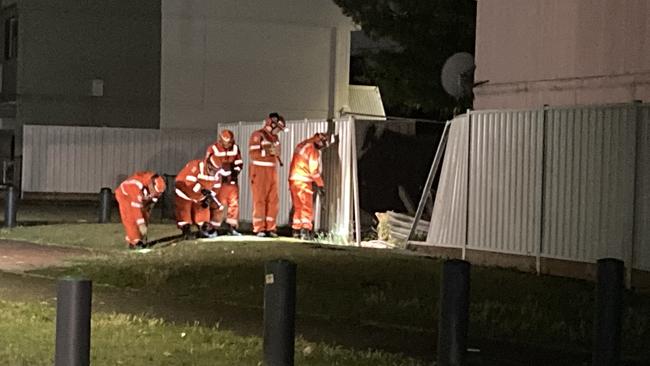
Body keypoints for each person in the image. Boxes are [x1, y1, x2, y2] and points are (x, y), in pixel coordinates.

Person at [248, 112, 286, 237]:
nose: (279, 132)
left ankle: (271, 228)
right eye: (279, 129)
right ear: (271, 124)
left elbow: (277, 152)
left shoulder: (275, 138)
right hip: (259, 171)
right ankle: (259, 228)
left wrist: (272, 152)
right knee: (260, 200)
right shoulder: (257, 135)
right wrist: (269, 152)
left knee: (273, 200)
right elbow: (254, 153)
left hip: (272, 171)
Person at [288, 133, 330, 240]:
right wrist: (320, 185)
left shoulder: (302, 144)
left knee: (297, 206)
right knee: (306, 206)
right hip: (304, 180)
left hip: (294, 179)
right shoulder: (312, 150)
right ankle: (305, 231)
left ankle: (296, 230)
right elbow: (313, 171)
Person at [205, 129, 243, 235]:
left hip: (232, 181)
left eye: (229, 142)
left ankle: (232, 227)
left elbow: (239, 162)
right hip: (218, 182)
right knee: (218, 205)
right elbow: (208, 165)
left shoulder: (235, 148)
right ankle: (213, 228)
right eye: (225, 142)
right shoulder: (213, 148)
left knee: (234, 204)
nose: (227, 145)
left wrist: (234, 172)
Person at [174, 156, 223, 239]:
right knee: (184, 211)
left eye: (215, 171)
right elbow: (188, 182)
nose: (212, 173)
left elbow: (216, 187)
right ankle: (186, 229)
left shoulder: (217, 175)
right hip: (184, 192)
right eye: (211, 169)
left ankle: (203, 227)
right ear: (207, 164)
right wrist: (201, 189)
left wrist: (209, 198)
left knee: (203, 211)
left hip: (200, 196)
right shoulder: (195, 166)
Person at [115, 171, 166, 249]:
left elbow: (150, 203)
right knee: (130, 218)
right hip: (125, 196)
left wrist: (146, 218)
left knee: (144, 215)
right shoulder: (135, 186)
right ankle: (134, 241)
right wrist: (141, 224)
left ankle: (141, 238)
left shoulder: (155, 185)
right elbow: (136, 208)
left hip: (140, 196)